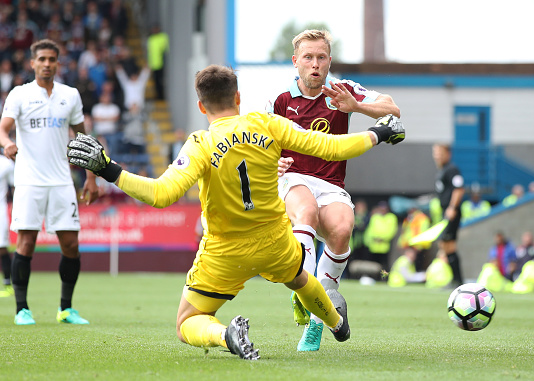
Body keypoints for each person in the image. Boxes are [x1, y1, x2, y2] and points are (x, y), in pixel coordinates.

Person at [66, 64, 405, 359]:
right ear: (238, 98)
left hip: (225, 251)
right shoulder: (267, 123)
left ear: (201, 105)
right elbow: (330, 146)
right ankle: (336, 323)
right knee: (300, 278)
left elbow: (161, 194)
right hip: (274, 242)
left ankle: (225, 335)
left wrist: (108, 168)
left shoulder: (200, 143)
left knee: (186, 322)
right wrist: (379, 132)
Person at [267, 29, 401, 351]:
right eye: (308, 57)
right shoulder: (278, 98)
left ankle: (316, 320)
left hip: (331, 184)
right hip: (292, 177)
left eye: (321, 57)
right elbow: (258, 142)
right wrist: (271, 166)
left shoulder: (343, 89)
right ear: (295, 61)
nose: (315, 64)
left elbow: (393, 111)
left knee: (342, 230)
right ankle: (304, 289)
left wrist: (355, 106)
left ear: (329, 61)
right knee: (307, 213)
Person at [0, 39, 99, 325]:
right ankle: (22, 309)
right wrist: (7, 143)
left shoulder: (71, 95)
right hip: (29, 181)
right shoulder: (19, 95)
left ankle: (65, 308)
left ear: (58, 63)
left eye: (51, 59)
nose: (46, 64)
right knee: (26, 243)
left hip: (61, 182)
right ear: (32, 63)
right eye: (41, 59)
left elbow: (83, 140)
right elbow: (3, 130)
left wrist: (91, 177)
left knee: (70, 245)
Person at [432, 143, 465, 287]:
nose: (437, 155)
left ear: (448, 154)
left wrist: (452, 207)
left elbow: (459, 189)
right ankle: (455, 280)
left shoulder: (452, 169)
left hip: (452, 212)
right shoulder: (442, 170)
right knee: (445, 245)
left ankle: (458, 280)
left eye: (440, 152)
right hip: (446, 212)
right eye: (435, 152)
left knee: (449, 245)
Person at [363, 201, 398, 272]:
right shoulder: (375, 217)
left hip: (384, 246)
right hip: (373, 246)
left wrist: (382, 238)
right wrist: (369, 241)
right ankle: (373, 278)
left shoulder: (391, 217)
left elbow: (391, 231)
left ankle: (384, 278)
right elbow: (370, 230)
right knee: (372, 264)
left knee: (384, 264)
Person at [0, 153, 14, 297]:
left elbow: (14, 185)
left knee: (2, 248)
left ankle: (8, 285)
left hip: (1, 211)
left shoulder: (5, 163)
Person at [146, 24, 169, 100]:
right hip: (154, 64)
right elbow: (150, 53)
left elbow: (165, 49)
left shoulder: (162, 37)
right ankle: (158, 95)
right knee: (156, 81)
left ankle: (162, 96)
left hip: (162, 63)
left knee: (161, 81)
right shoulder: (151, 39)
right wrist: (150, 64)